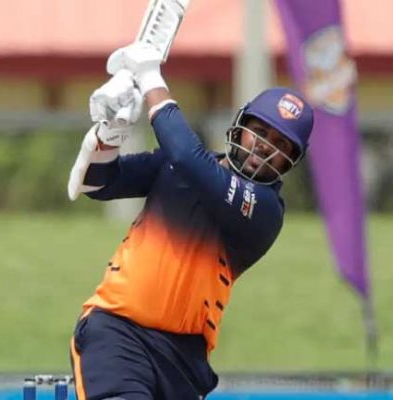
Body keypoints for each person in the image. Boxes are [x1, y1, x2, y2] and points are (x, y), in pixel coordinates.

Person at [66, 43, 314, 400]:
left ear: (291, 161)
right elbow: (96, 183)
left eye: (280, 144)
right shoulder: (174, 166)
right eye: (260, 131)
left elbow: (188, 157)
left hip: (183, 359)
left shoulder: (264, 210)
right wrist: (111, 132)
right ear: (240, 126)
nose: (265, 146)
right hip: (118, 331)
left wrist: (150, 78)